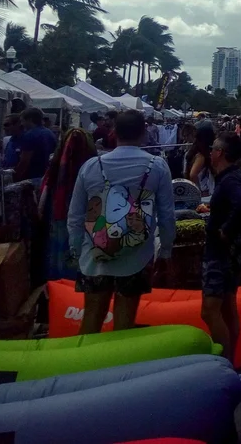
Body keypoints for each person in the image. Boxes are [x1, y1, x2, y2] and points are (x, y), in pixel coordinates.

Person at [67, 110, 174, 334]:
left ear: (114, 133)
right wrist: (165, 250)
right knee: (125, 325)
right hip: (137, 255)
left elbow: (75, 215)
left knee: (91, 318)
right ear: (144, 133)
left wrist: (76, 250)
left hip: (95, 254)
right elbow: (166, 214)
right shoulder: (157, 166)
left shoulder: (91, 166)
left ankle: (86, 364)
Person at [201, 134, 241, 363]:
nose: (210, 152)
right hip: (228, 252)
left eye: (213, 149)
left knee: (210, 310)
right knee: (227, 307)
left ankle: (224, 360)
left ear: (220, 153)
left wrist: (226, 229)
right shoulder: (233, 176)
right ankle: (230, 360)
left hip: (219, 251)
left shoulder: (229, 180)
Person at [41, 127, 97, 279]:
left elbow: (43, 196)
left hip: (60, 218)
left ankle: (60, 283)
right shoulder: (95, 168)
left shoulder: (55, 167)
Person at [6, 107, 57, 187]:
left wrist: (13, 180)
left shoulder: (29, 135)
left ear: (29, 119)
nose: (22, 124)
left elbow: (24, 162)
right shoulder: (50, 134)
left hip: (32, 179)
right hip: (47, 178)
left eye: (22, 121)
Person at [188, 122, 217, 199]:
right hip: (204, 192)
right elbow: (193, 175)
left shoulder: (198, 151)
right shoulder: (201, 156)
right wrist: (199, 191)